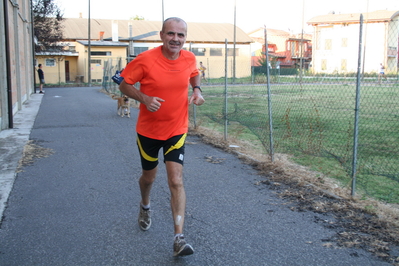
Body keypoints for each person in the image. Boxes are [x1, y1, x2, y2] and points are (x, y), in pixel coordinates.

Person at [119, 17, 205, 257]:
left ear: (185, 37)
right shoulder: (145, 60)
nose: (175, 39)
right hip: (148, 131)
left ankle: (179, 238)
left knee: (176, 180)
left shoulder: (188, 57)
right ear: (161, 35)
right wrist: (145, 99)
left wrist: (197, 90)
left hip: (177, 128)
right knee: (149, 178)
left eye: (180, 35)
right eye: (171, 34)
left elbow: (194, 73)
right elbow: (124, 84)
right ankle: (145, 205)